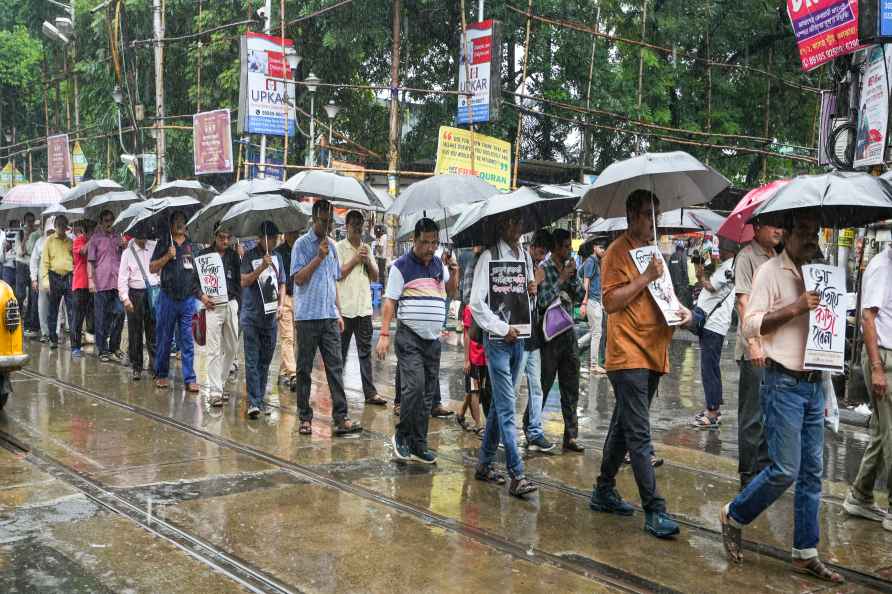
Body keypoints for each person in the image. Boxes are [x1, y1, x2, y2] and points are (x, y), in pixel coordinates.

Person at [720, 211, 843, 584]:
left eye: (815, 232)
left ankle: (805, 553)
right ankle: (733, 514)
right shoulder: (770, 272)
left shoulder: (822, 273)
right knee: (785, 469)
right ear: (786, 235)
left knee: (812, 474)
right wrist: (796, 307)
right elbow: (751, 324)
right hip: (782, 383)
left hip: (813, 383)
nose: (810, 239)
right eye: (803, 232)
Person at [589, 190, 691, 539]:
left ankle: (603, 489)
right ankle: (654, 509)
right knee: (638, 432)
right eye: (648, 214)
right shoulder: (617, 252)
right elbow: (611, 302)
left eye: (656, 214)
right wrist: (645, 276)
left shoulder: (656, 254)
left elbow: (666, 300)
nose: (653, 221)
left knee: (623, 426)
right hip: (627, 354)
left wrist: (682, 312)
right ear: (632, 215)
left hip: (653, 352)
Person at [375, 218, 458, 464]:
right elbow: (389, 301)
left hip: (433, 339)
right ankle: (402, 435)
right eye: (425, 242)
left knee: (427, 394)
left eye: (434, 242)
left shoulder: (438, 266)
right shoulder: (401, 267)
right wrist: (384, 335)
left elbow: (451, 292)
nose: (430, 247)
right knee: (415, 387)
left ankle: (419, 443)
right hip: (409, 336)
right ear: (415, 240)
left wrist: (454, 271)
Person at [469, 212, 538, 497]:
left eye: (521, 223)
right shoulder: (489, 257)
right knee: (508, 406)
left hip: (519, 339)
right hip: (498, 341)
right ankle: (517, 474)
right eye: (515, 222)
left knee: (500, 405)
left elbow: (527, 297)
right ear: (504, 225)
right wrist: (500, 327)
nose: (520, 227)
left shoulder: (525, 256)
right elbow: (476, 304)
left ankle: (484, 465)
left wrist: (533, 290)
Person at [291, 200, 362, 436]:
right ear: (314, 218)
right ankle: (305, 417)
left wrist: (338, 312)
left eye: (330, 220)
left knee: (335, 367)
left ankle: (341, 417)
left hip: (329, 317)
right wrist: (317, 258)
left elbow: (334, 280)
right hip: (307, 317)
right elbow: (299, 279)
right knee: (304, 369)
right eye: (323, 220)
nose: (327, 224)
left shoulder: (331, 246)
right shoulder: (301, 245)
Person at [843, 242, 891, 531]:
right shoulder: (882, 267)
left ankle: (860, 494)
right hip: (883, 359)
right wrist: (876, 368)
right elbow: (867, 317)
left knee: (883, 430)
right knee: (890, 433)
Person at [734, 221, 782, 488]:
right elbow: (743, 303)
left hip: (775, 347)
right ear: (757, 227)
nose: (779, 231)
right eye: (773, 226)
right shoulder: (747, 258)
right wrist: (753, 343)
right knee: (752, 413)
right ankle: (748, 473)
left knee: (770, 411)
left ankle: (763, 469)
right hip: (755, 348)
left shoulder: (777, 257)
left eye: (781, 227)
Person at [537, 228, 586, 453]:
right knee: (544, 385)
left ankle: (571, 436)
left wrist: (572, 277)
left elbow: (578, 295)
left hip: (568, 333)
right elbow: (542, 302)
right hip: (549, 337)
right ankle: (532, 427)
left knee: (571, 386)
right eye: (566, 246)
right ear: (556, 247)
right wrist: (561, 279)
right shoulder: (543, 269)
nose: (569, 250)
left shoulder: (570, 267)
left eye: (570, 247)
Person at [337, 210, 385, 406]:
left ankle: (370, 393)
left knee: (365, 353)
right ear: (347, 226)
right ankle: (337, 393)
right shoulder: (339, 248)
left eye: (361, 223)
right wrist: (355, 259)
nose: (358, 226)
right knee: (340, 353)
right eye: (354, 223)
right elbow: (338, 274)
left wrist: (366, 261)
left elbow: (375, 277)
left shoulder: (367, 248)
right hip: (345, 310)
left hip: (363, 309)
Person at [691, 239, 738, 428]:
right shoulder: (728, 266)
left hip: (714, 324)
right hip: (714, 323)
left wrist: (701, 276)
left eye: (722, 248)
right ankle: (713, 408)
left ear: (729, 249)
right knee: (711, 368)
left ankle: (712, 413)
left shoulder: (728, 267)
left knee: (709, 369)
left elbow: (711, 286)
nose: (719, 251)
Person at [150, 210, 199, 392]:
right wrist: (167, 257)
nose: (180, 223)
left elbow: (197, 272)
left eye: (182, 220)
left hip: (187, 300)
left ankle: (190, 378)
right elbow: (152, 267)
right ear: (171, 225)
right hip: (167, 298)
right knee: (164, 338)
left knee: (187, 340)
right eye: (176, 220)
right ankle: (162, 374)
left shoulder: (191, 246)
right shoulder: (164, 243)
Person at [241, 222, 285, 418]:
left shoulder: (278, 257)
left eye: (276, 238)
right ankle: (253, 401)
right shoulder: (249, 256)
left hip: (271, 318)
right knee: (252, 360)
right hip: (251, 316)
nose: (274, 241)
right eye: (271, 238)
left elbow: (283, 283)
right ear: (261, 238)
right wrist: (260, 268)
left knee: (265, 361)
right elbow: (244, 281)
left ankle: (259, 398)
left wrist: (282, 304)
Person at [194, 226, 241, 408]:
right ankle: (215, 391)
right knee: (213, 349)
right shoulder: (203, 255)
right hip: (212, 305)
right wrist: (202, 297)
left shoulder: (233, 256)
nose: (225, 241)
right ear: (215, 236)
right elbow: (194, 281)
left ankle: (219, 384)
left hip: (230, 303)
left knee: (232, 347)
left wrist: (237, 303)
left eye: (228, 238)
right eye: (222, 237)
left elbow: (238, 281)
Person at [519, 229, 555, 453]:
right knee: (511, 387)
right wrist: (529, 284)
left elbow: (541, 301)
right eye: (539, 251)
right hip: (518, 334)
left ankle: (535, 431)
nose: (541, 256)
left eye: (544, 253)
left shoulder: (539, 267)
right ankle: (502, 431)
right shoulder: (519, 261)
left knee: (536, 386)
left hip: (534, 335)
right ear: (532, 247)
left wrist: (538, 283)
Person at [118, 236, 158, 380]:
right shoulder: (127, 253)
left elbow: (159, 269)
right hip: (135, 294)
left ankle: (155, 366)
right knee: (135, 332)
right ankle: (137, 366)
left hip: (152, 293)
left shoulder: (154, 246)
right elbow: (122, 278)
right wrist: (125, 299)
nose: (143, 237)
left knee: (153, 330)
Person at [88, 209, 125, 363]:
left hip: (117, 282)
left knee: (120, 313)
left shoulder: (119, 238)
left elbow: (124, 259)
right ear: (101, 222)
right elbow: (90, 261)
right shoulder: (95, 239)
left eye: (111, 220)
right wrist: (91, 280)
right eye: (106, 220)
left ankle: (114, 346)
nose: (109, 223)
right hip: (101, 283)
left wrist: (123, 246)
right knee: (101, 317)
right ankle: (102, 349)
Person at [40, 215, 74, 350]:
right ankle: (53, 339)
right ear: (55, 226)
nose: (61, 227)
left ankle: (74, 340)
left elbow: (75, 260)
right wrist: (46, 282)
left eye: (63, 224)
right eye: (58, 224)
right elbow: (44, 262)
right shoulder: (49, 241)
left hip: (69, 277)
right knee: (53, 310)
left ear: (66, 227)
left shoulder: (70, 241)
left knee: (72, 310)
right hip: (54, 277)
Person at [274, 230, 298, 388]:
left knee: (295, 339)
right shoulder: (278, 253)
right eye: (291, 232)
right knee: (287, 337)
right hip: (285, 298)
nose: (294, 235)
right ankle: (293, 372)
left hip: (301, 298)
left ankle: (284, 372)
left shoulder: (302, 249)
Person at [458, 302, 487, 433]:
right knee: (475, 390)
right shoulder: (470, 309)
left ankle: (461, 413)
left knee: (475, 389)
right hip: (474, 358)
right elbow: (467, 336)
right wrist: (466, 360)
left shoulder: (487, 306)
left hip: (485, 357)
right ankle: (479, 424)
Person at [581, 240, 606, 375]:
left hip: (596, 301)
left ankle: (577, 346)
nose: (603, 250)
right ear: (594, 247)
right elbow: (586, 283)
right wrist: (584, 302)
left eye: (604, 248)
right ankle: (594, 365)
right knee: (597, 333)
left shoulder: (597, 262)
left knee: (595, 331)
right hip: (591, 301)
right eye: (601, 247)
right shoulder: (591, 261)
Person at [70, 221, 94, 357]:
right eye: (91, 230)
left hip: (94, 285)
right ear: (85, 231)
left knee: (93, 317)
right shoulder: (78, 241)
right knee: (77, 318)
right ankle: (75, 347)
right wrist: (92, 240)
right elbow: (84, 251)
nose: (94, 232)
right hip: (80, 284)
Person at [13, 212, 36, 330]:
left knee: (33, 295)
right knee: (20, 294)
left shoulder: (37, 234)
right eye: (28, 221)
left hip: (32, 266)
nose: (30, 223)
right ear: (24, 221)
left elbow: (35, 252)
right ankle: (17, 316)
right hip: (21, 265)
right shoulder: (20, 234)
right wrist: (26, 237)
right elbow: (20, 252)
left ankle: (28, 323)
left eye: (32, 221)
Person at [30, 221, 52, 342]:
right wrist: (33, 279)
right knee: (42, 306)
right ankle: (45, 332)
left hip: (57, 278)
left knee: (56, 306)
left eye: (52, 231)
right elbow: (33, 261)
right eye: (49, 231)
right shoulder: (39, 242)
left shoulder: (60, 241)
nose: (50, 233)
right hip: (43, 277)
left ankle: (55, 333)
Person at [667, 240, 691, 308]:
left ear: (676, 248)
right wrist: (687, 283)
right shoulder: (683, 256)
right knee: (680, 301)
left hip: (673, 283)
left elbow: (669, 269)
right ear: (683, 248)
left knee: (674, 300)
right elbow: (685, 270)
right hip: (681, 284)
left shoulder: (672, 256)